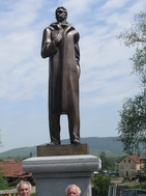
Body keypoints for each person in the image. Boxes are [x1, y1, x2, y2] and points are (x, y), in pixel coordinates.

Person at [41, 7, 81, 145]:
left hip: (71, 73)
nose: (59, 14)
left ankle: (75, 137)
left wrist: (77, 69)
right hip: (56, 73)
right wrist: (54, 42)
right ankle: (55, 139)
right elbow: (44, 52)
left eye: (62, 11)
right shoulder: (49, 31)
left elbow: (77, 55)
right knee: (54, 106)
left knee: (73, 105)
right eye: (57, 12)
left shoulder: (73, 32)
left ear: (66, 14)